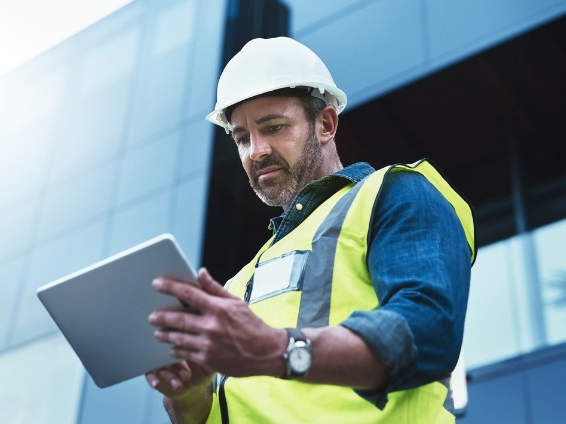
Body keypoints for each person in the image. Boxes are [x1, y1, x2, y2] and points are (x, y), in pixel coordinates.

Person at [145, 37, 476, 423]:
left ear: (325, 124)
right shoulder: (238, 284)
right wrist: (187, 396)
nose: (256, 151)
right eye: (242, 138)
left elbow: (429, 333)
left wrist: (275, 349)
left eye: (273, 127)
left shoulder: (393, 194)